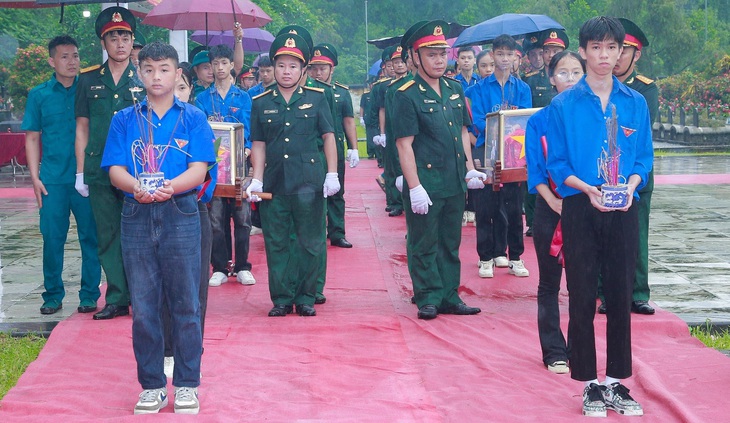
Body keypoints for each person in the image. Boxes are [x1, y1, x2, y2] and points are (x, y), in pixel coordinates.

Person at [546, 16, 653, 417]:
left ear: (621, 52)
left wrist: (630, 186)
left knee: (621, 293)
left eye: (612, 48)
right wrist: (587, 188)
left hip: (624, 206)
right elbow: (557, 163)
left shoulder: (634, 103)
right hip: (581, 205)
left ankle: (616, 382)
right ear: (585, 50)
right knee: (583, 294)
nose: (604, 56)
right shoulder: (564, 104)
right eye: (596, 48)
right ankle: (590, 382)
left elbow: (643, 156)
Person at [102, 41, 215, 415]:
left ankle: (186, 383)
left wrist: (170, 188)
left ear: (177, 73)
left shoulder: (193, 117)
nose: (156, 76)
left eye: (164, 69)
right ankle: (151, 385)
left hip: (180, 213)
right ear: (140, 72)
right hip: (136, 213)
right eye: (148, 69)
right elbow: (115, 169)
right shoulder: (124, 118)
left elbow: (200, 168)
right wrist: (135, 186)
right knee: (145, 307)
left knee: (186, 303)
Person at [393, 20, 486, 320]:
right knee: (423, 241)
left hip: (453, 179)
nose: (438, 60)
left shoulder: (454, 88)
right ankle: (428, 296)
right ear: (415, 57)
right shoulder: (405, 94)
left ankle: (449, 294)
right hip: (425, 180)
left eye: (442, 53)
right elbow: (404, 145)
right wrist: (414, 185)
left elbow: (462, 132)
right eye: (430, 53)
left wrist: (469, 168)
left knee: (450, 241)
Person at [246, 33, 339, 317]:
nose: (287, 72)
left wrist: (332, 173)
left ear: (303, 70)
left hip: (309, 181)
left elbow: (328, 136)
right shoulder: (261, 102)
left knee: (309, 241)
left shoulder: (317, 97)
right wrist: (257, 178)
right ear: (273, 68)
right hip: (275, 181)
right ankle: (282, 298)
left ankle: (306, 296)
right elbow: (259, 144)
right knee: (277, 242)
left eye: (293, 66)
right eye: (281, 66)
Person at [22, 35, 101, 316]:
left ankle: (90, 294)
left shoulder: (90, 88)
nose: (72, 61)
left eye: (76, 56)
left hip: (86, 177)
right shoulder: (39, 94)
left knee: (90, 237)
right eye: (65, 56)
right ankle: (53, 295)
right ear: (51, 60)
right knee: (52, 238)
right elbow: (32, 138)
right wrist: (35, 177)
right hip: (52, 180)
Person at [74, 6, 144, 320]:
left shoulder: (144, 78)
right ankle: (117, 297)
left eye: (125, 36)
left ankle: (143, 296)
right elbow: (82, 128)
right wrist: (80, 171)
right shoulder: (88, 80)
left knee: (140, 235)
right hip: (100, 170)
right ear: (104, 42)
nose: (119, 42)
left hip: (138, 171)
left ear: (132, 42)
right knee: (108, 235)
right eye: (113, 36)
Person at [525, 50, 586, 375]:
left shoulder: (595, 117)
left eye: (577, 72)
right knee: (549, 284)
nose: (571, 79)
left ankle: (580, 349)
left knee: (582, 285)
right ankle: (553, 351)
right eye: (563, 73)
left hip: (586, 210)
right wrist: (556, 203)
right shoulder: (539, 121)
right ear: (551, 78)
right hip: (551, 210)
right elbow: (535, 173)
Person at [597, 17, 659, 316]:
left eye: (625, 51)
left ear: (637, 55)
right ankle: (607, 292)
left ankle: (637, 292)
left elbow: (637, 132)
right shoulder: (596, 85)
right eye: (615, 49)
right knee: (603, 237)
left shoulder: (645, 91)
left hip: (635, 175)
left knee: (636, 236)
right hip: (600, 174)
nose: (618, 57)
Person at [162, 65, 217, 380]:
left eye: (182, 88)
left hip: (193, 211)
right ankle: (166, 349)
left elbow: (210, 177)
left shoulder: (198, 124)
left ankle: (191, 347)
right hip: (152, 212)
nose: (176, 94)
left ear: (189, 92)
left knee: (194, 286)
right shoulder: (144, 125)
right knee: (161, 285)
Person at [465, 34, 532, 279]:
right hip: (486, 151)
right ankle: (485, 257)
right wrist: (501, 121)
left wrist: (510, 125)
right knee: (485, 207)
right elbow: (478, 121)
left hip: (514, 155)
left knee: (514, 207)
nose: (504, 59)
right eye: (499, 54)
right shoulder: (479, 89)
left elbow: (526, 119)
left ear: (516, 56)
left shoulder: (522, 88)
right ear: (492, 55)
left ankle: (515, 256)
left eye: (509, 54)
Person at [195, 44, 255, 288]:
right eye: (214, 64)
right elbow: (200, 132)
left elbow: (250, 128)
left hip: (239, 165)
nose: (219, 69)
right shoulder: (201, 98)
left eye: (224, 63)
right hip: (214, 168)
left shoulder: (243, 97)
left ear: (232, 65)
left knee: (242, 218)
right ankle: (220, 266)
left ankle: (242, 266)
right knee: (216, 219)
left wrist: (246, 148)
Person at [308, 43, 360, 252]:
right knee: (314, 192)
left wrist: (353, 147)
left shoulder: (341, 92)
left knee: (337, 192)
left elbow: (348, 121)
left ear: (332, 69)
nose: (318, 72)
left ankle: (337, 232)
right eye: (315, 68)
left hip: (335, 146)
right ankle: (317, 231)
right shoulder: (307, 90)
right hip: (314, 148)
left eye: (323, 68)